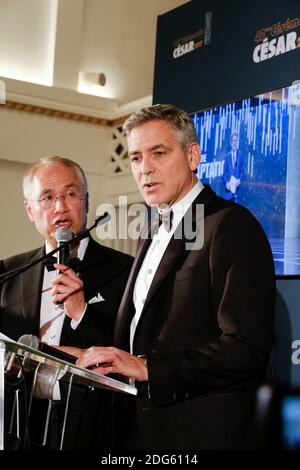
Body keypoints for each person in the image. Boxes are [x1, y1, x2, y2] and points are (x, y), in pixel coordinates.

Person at [71, 105, 275, 449]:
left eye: (158, 153)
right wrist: (82, 354)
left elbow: (246, 348)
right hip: (139, 428)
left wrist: (149, 367)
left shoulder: (230, 225)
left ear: (192, 155)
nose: (144, 169)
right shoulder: (148, 231)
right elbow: (144, 333)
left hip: (201, 433)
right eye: (135, 158)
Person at [0, 155, 133, 449]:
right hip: (17, 424)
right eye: (47, 197)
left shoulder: (127, 270)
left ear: (86, 201)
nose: (60, 207)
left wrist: (81, 312)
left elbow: (133, 351)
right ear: (30, 210)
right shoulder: (7, 272)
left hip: (94, 427)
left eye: (70, 194)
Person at [222, 132, 245, 202]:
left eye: (236, 141)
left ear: (238, 142)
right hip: (229, 193)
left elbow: (243, 173)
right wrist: (226, 183)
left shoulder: (241, 155)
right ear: (230, 142)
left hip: (238, 193)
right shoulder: (227, 157)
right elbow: (223, 175)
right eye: (233, 141)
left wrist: (239, 180)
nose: (234, 143)